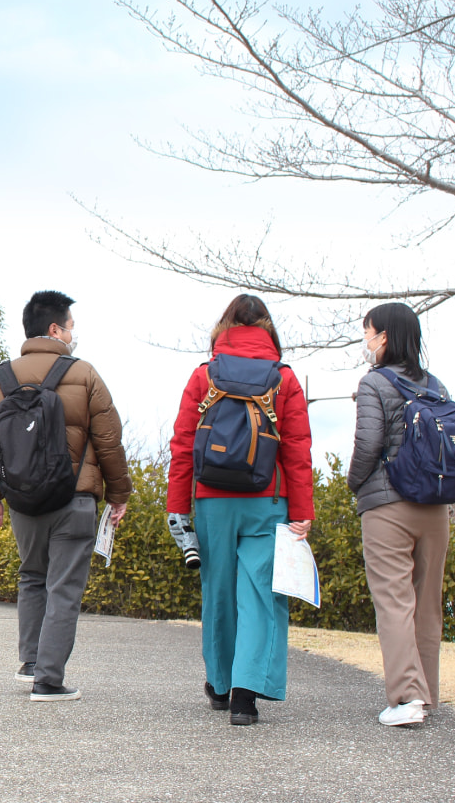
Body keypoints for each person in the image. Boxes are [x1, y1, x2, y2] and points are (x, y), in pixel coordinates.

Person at [0, 290, 131, 702]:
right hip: (74, 499)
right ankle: (49, 680)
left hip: (23, 500)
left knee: (32, 576)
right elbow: (109, 441)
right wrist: (119, 494)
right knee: (64, 587)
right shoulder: (85, 374)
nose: (74, 334)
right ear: (55, 329)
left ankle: (30, 663)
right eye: (71, 326)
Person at [167, 295, 314, 725]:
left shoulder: (204, 375)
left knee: (218, 591)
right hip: (268, 500)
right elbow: (297, 450)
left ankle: (219, 684)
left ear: (224, 326)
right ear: (267, 329)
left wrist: (178, 507)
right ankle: (245, 697)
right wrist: (302, 510)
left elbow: (182, 446)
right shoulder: (284, 379)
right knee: (261, 594)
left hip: (212, 500)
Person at [347, 302, 451, 727]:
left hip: (388, 506)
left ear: (384, 337)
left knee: (393, 600)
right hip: (436, 507)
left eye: (368, 333)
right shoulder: (437, 386)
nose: (366, 341)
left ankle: (407, 699)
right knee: (427, 605)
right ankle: (426, 695)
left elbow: (368, 444)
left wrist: (355, 484)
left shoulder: (374, 382)